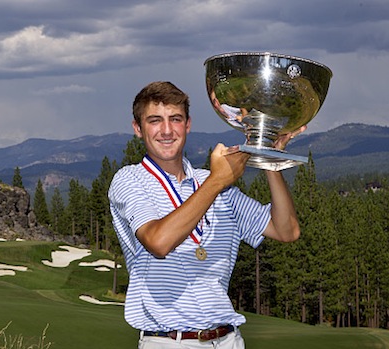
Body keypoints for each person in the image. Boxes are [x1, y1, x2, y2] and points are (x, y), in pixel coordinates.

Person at [108, 81, 303, 349]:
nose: (166, 130)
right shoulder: (130, 180)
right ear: (138, 129)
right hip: (168, 342)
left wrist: (270, 161)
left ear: (187, 125)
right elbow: (158, 242)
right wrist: (217, 181)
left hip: (228, 340)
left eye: (175, 119)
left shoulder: (213, 184)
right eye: (155, 120)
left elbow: (286, 230)